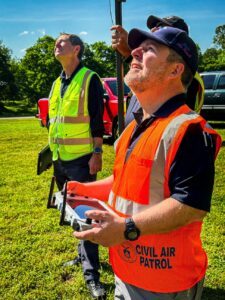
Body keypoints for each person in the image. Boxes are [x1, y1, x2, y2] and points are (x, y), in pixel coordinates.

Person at [66, 27, 221, 299]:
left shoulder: (189, 130)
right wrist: (85, 190)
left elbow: (191, 206)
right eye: (138, 47)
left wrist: (125, 229)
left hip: (164, 281)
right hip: (126, 270)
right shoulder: (133, 127)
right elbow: (126, 181)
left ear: (175, 70)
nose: (134, 51)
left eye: (148, 49)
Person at [48, 33, 106, 299]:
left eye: (62, 43)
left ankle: (92, 274)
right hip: (60, 159)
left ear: (76, 49)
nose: (56, 46)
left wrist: (97, 153)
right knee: (71, 213)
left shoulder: (89, 78)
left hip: (82, 160)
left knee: (87, 217)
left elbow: (97, 120)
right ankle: (82, 257)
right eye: (56, 43)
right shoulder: (57, 83)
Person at [111, 15, 205, 126]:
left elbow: (168, 121)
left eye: (161, 27)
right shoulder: (159, 75)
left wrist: (130, 54)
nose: (153, 30)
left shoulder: (187, 78)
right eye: (153, 27)